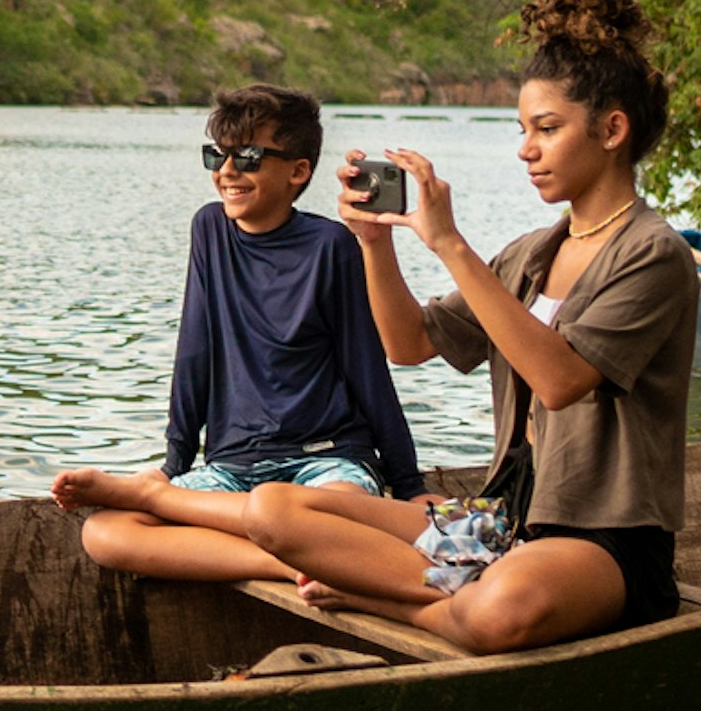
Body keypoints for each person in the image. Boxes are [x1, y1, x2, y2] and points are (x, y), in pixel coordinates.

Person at [72, 0, 698, 653]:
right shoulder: (531, 257)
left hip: (599, 538)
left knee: (498, 613)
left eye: (546, 129)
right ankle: (441, 582)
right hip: (500, 522)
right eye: (523, 130)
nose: (525, 149)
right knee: (278, 508)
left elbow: (562, 380)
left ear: (612, 129)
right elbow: (408, 343)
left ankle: (391, 594)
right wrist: (376, 244)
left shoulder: (652, 253)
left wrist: (450, 243)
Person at [47, 84, 424, 580]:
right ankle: (289, 564)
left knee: (321, 514)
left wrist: (409, 484)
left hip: (327, 462)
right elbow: (195, 351)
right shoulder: (210, 230)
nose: (227, 171)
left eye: (247, 157)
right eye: (217, 155)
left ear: (298, 172)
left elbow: (366, 367)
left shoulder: (331, 246)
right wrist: (173, 462)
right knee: (106, 533)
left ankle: (301, 544)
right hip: (234, 466)